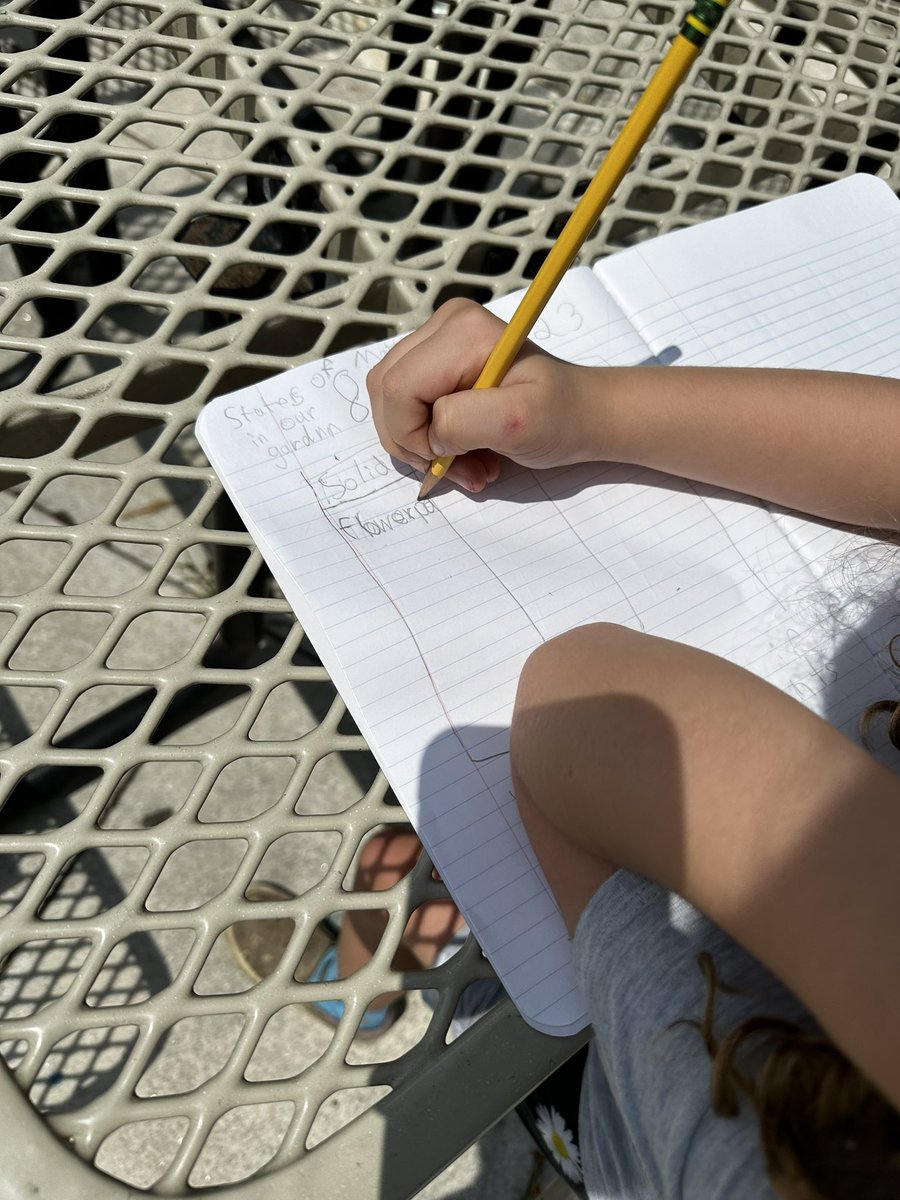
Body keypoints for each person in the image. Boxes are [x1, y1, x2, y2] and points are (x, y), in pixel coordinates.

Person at [354, 299, 900, 1199]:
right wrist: (595, 409)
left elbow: (584, 704)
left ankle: (383, 966)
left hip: (617, 1098)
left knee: (455, 905)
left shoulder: (756, 1157)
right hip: (658, 895)